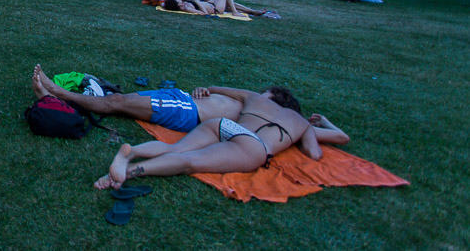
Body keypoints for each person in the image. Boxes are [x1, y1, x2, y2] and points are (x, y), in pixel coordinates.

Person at [93, 86, 350, 189]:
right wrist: (324, 123)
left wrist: (205, 91)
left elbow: (217, 88)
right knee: (189, 162)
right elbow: (319, 151)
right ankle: (132, 170)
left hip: (224, 126)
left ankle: (133, 151)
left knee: (177, 148)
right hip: (254, 146)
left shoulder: (256, 98)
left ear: (271, 96)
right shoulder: (300, 123)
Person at [31, 65, 244, 131]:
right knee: (118, 100)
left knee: (115, 102)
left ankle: (57, 93)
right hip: (182, 98)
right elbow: (211, 88)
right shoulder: (250, 101)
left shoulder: (257, 115)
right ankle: (53, 97)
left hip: (187, 110)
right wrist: (202, 90)